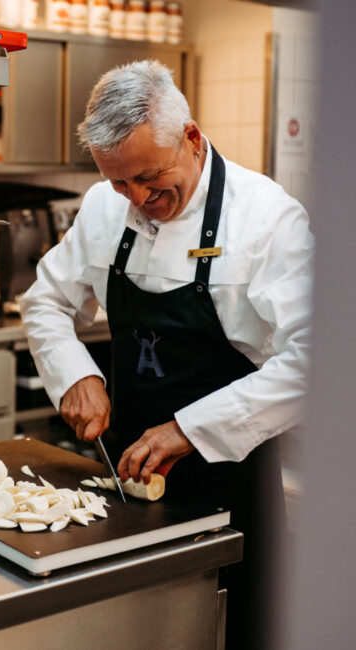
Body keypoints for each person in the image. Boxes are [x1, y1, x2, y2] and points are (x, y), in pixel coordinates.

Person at [20, 59, 314, 649]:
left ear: (192, 137)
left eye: (151, 178)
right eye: (119, 183)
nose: (138, 198)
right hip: (123, 475)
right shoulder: (107, 208)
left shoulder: (267, 218)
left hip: (228, 483)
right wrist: (76, 374)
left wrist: (187, 428)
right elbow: (46, 301)